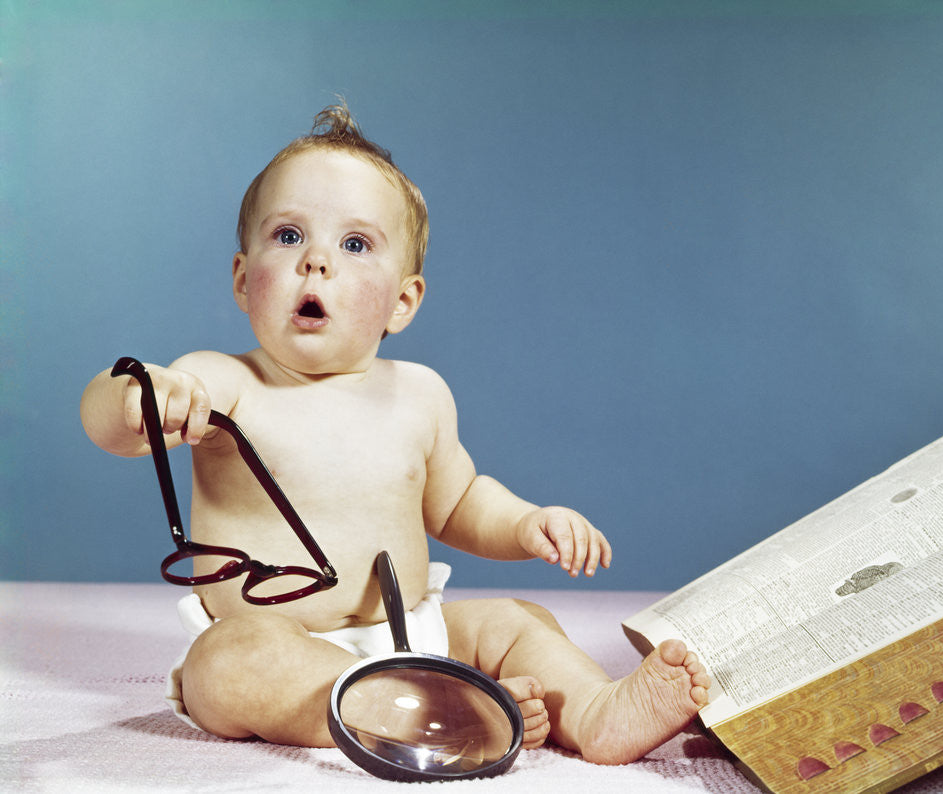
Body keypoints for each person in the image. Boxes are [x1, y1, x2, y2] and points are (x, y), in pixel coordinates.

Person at [80, 102, 709, 765]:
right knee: (226, 662)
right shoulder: (221, 382)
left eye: (354, 245)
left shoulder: (420, 394)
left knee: (516, 622)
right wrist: (139, 395)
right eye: (289, 236)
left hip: (413, 635)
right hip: (282, 643)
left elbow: (459, 504)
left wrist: (527, 523)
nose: (315, 261)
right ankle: (402, 710)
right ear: (242, 279)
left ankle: (593, 712)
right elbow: (111, 426)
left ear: (402, 301)